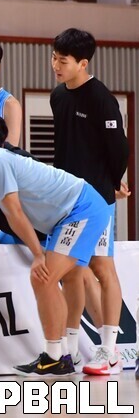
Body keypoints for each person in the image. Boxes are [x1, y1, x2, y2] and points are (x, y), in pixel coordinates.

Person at [0, 113, 112, 376]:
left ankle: (58, 356)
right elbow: (12, 215)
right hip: (67, 215)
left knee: (43, 277)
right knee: (62, 277)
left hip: (81, 208)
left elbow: (15, 212)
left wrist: (38, 254)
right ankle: (63, 354)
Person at [50, 27, 130, 375]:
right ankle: (70, 351)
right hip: (67, 198)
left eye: (63, 61)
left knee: (101, 267)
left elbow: (119, 149)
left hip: (97, 198)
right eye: (54, 58)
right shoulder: (57, 96)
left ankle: (110, 351)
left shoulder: (101, 99)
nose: (56, 65)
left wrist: (111, 184)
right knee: (74, 271)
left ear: (83, 63)